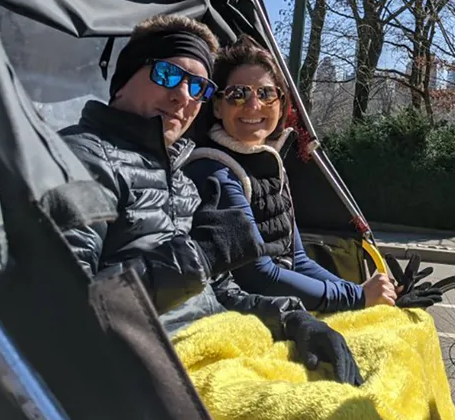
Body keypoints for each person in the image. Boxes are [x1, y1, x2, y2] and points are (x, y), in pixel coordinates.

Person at [59, 14, 363, 385]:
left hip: (213, 349)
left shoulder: (181, 177)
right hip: (135, 375)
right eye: (168, 74)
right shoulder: (78, 160)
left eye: (198, 87)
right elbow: (67, 311)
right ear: (122, 81)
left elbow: (219, 293)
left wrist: (293, 319)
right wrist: (199, 256)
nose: (183, 95)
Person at [183, 40, 441, 312]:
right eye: (238, 94)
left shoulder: (270, 165)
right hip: (231, 313)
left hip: (272, 307)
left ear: (281, 105)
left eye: (266, 93)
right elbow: (258, 277)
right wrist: (357, 296)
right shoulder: (215, 172)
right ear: (217, 106)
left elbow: (297, 260)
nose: (253, 105)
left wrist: (372, 297)